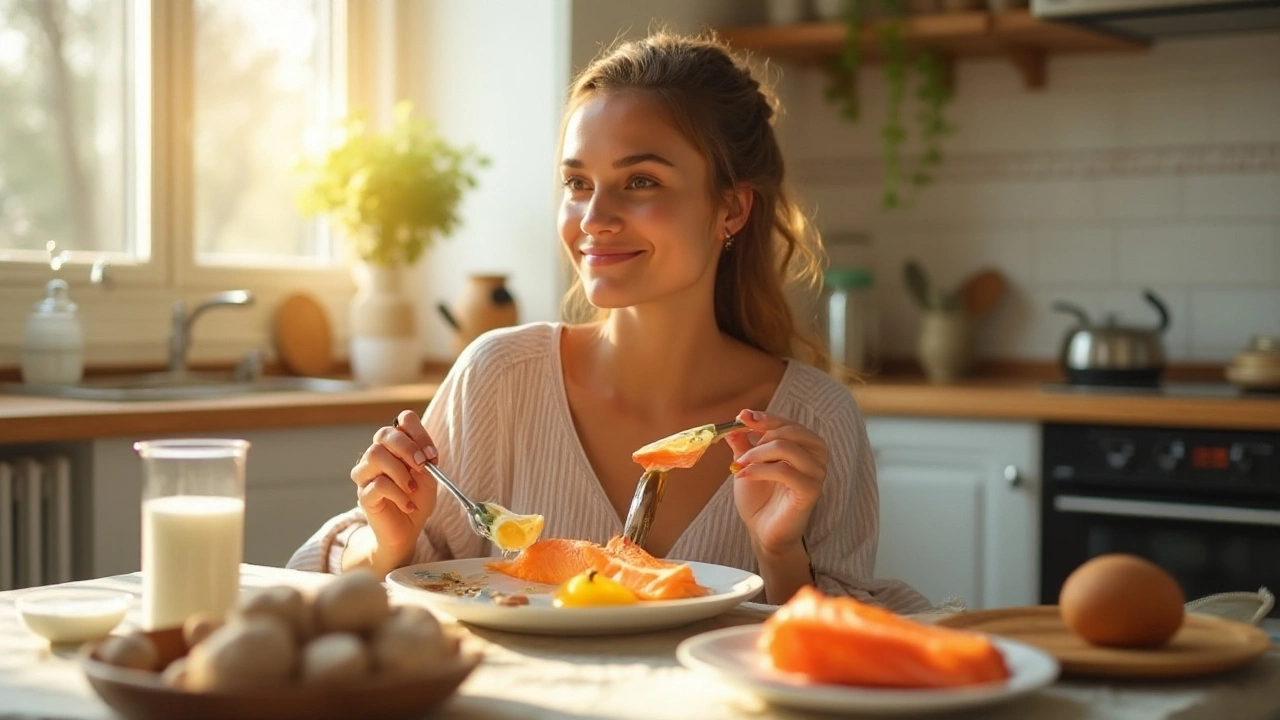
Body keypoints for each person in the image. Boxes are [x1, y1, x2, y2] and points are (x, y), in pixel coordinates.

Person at [288, 31, 931, 613]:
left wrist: (779, 553)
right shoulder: (499, 379)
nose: (594, 218)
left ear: (730, 209)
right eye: (577, 183)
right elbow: (349, 585)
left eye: (642, 181)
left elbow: (838, 654)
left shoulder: (817, 421)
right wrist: (387, 539)